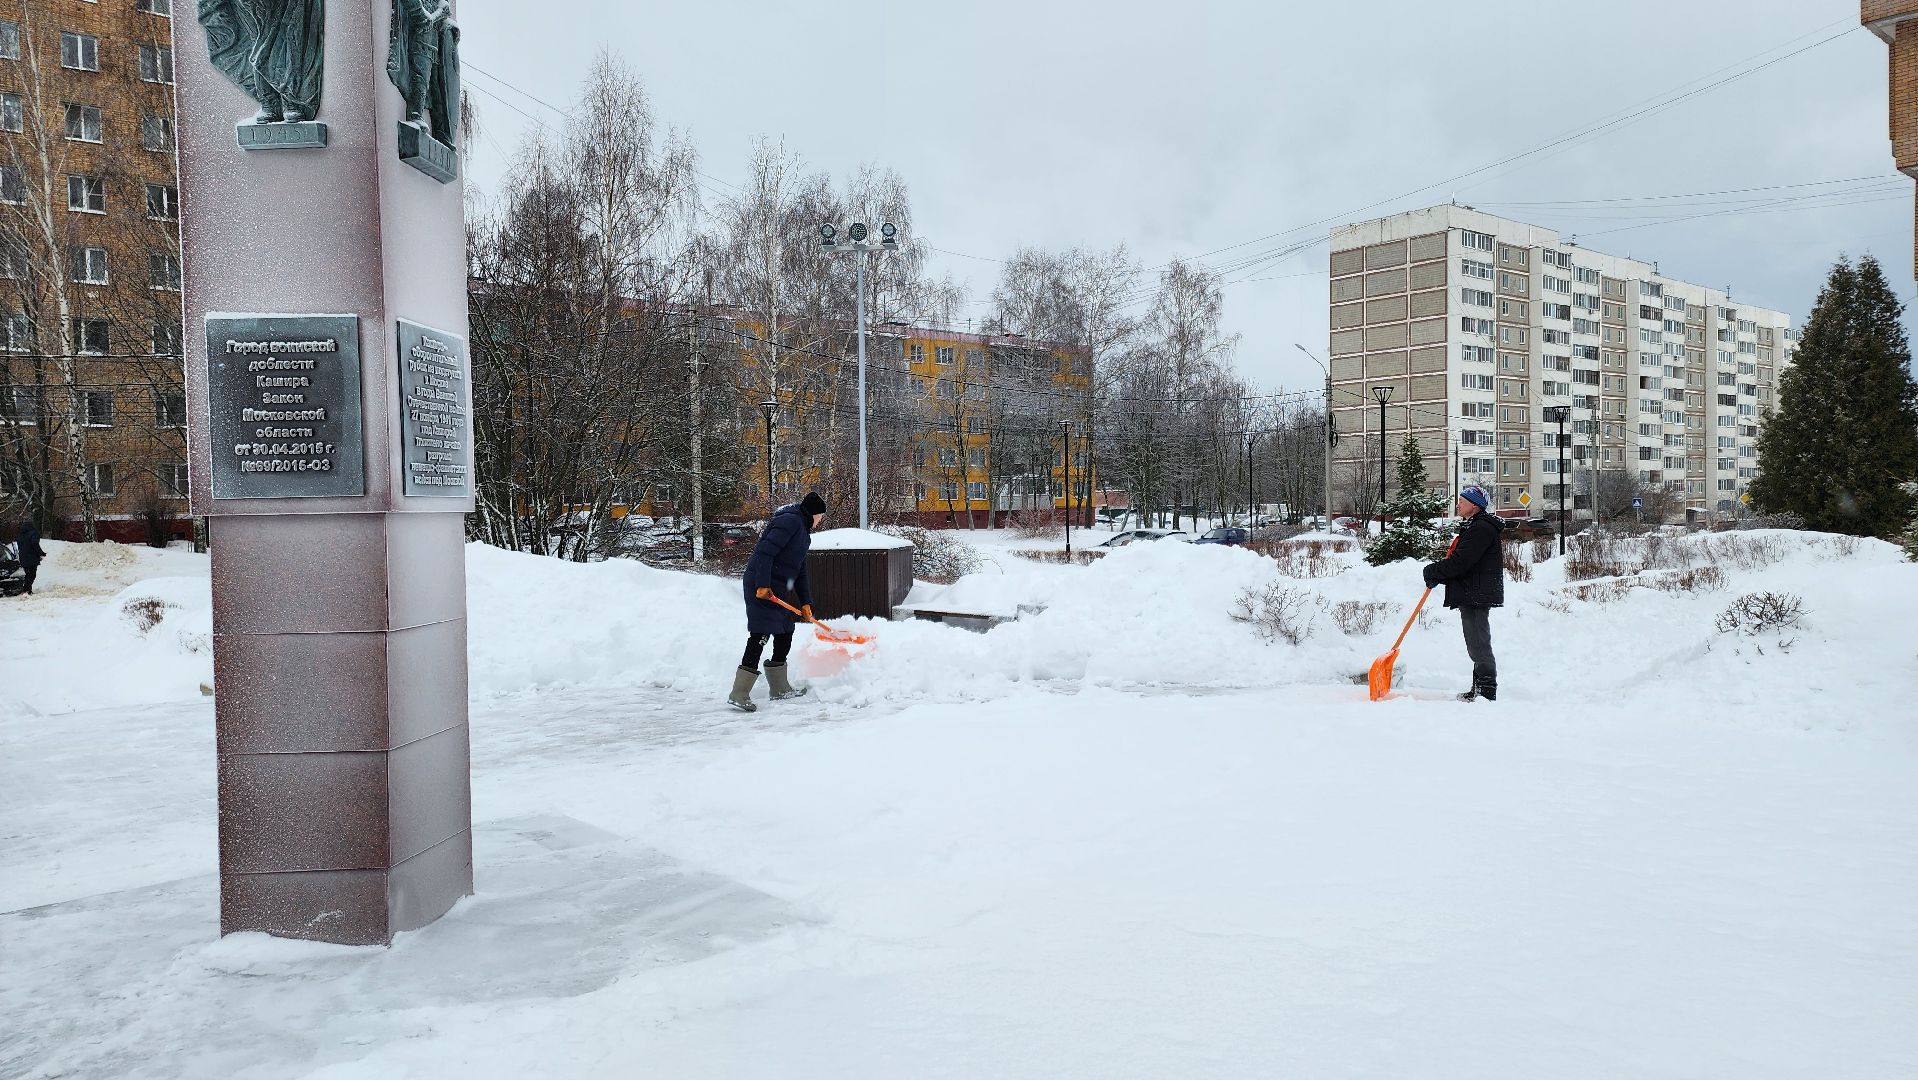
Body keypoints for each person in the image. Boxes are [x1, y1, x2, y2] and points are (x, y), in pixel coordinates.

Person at [729, 492, 827, 712]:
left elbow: (800, 570)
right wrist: (762, 584)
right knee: (761, 633)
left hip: (777, 588)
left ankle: (779, 688)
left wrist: (805, 602)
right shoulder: (789, 521)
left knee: (785, 631)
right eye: (821, 515)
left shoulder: (803, 531)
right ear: (814, 513)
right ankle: (739, 693)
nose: (821, 520)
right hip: (761, 586)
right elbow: (764, 553)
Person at [1421, 484, 1505, 701]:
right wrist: (1438, 573)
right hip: (1472, 592)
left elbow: (1461, 562)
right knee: (1475, 643)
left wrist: (1434, 571)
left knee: (1478, 644)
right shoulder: (1475, 526)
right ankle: (1478, 690)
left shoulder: (1481, 529)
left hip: (1476, 593)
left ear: (1475, 505)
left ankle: (1486, 692)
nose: (1458, 504)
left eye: (1462, 500)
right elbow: (1460, 562)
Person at [14, 518, 44, 596]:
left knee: (28, 574)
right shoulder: (34, 533)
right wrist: (41, 553)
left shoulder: (20, 535)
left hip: (22, 557)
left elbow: (19, 546)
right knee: (32, 574)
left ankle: (28, 590)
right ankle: (26, 590)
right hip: (31, 557)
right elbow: (35, 544)